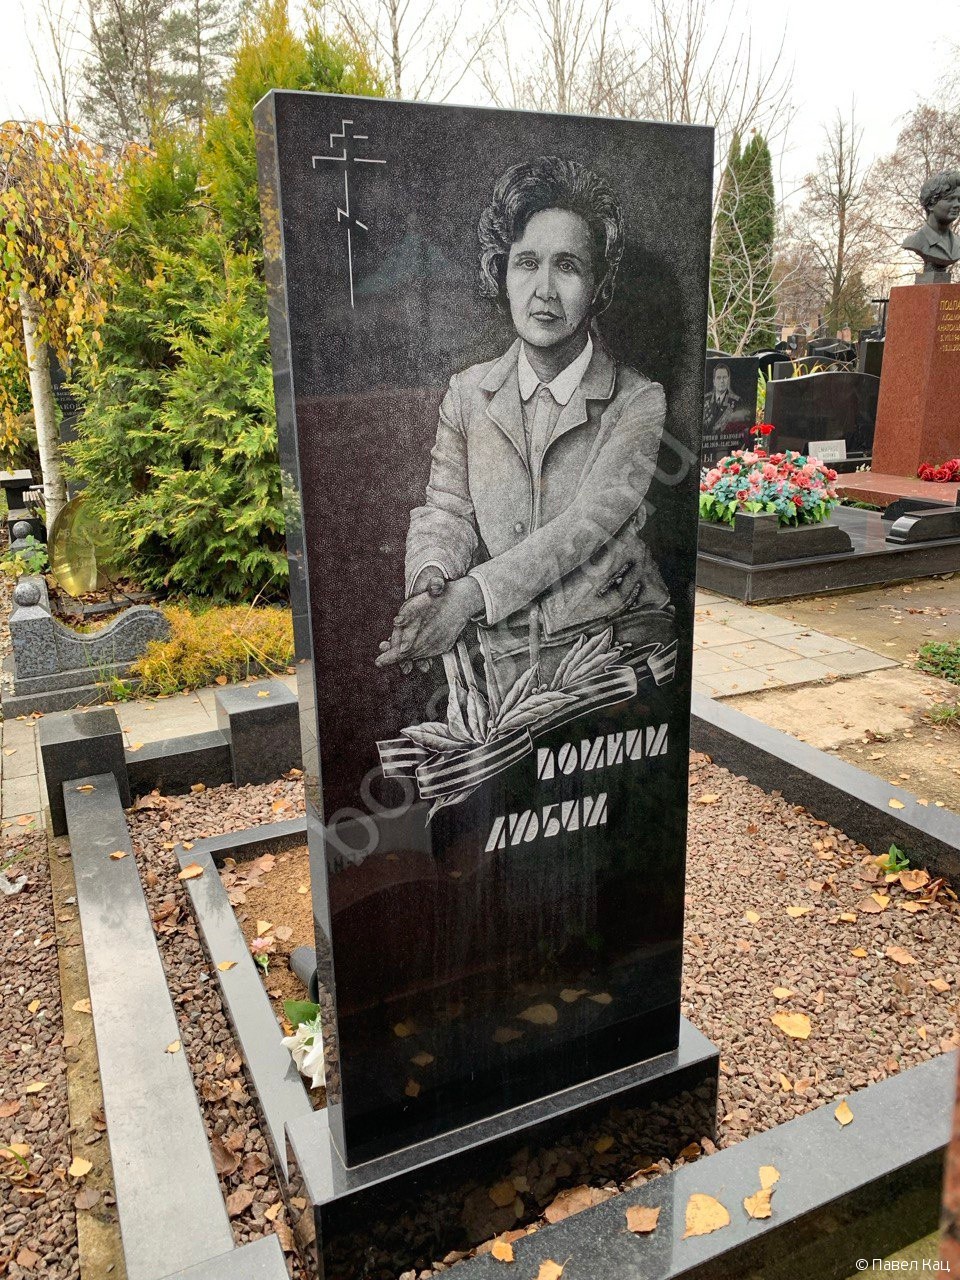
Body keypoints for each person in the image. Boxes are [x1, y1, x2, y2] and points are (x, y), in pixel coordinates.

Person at [376, 155, 674, 699]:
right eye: (527, 262)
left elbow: (583, 527)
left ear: (599, 285)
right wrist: (431, 579)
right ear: (502, 273)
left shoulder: (639, 402)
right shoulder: (467, 393)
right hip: (507, 668)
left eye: (568, 266)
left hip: (621, 657)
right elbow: (447, 509)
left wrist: (468, 597)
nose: (544, 289)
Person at [902, 170, 960, 272]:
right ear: (931, 204)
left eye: (959, 200)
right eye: (950, 199)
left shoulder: (957, 244)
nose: (957, 205)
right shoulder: (916, 241)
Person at [702, 363, 743, 433]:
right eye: (718, 378)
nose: (722, 381)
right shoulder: (705, 399)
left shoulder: (737, 401)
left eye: (724, 377)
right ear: (714, 381)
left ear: (728, 380)